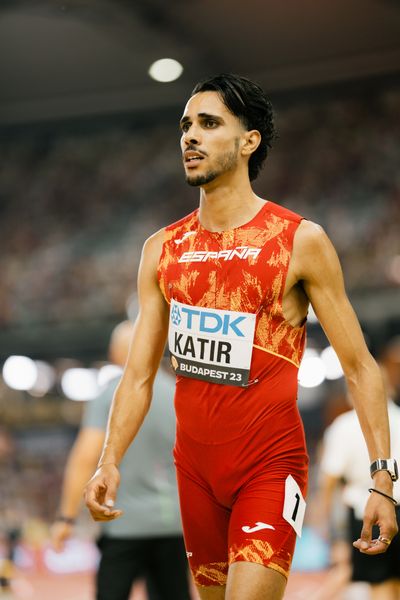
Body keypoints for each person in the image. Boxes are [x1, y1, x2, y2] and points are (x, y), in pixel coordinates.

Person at [84, 73, 398, 600]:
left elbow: (361, 367)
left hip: (269, 469)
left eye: (209, 124)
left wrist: (383, 480)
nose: (190, 137)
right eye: (186, 126)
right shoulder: (161, 250)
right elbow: (137, 376)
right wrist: (109, 458)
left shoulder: (300, 241)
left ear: (249, 141)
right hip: (195, 474)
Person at [51, 321, 190, 600]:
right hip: (174, 523)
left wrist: (66, 518)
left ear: (114, 354)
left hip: (123, 524)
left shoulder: (110, 396)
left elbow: (86, 457)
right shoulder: (180, 393)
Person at [319, 347, 400, 600]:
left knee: (380, 584)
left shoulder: (344, 425)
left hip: (368, 511)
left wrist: (327, 528)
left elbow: (329, 480)